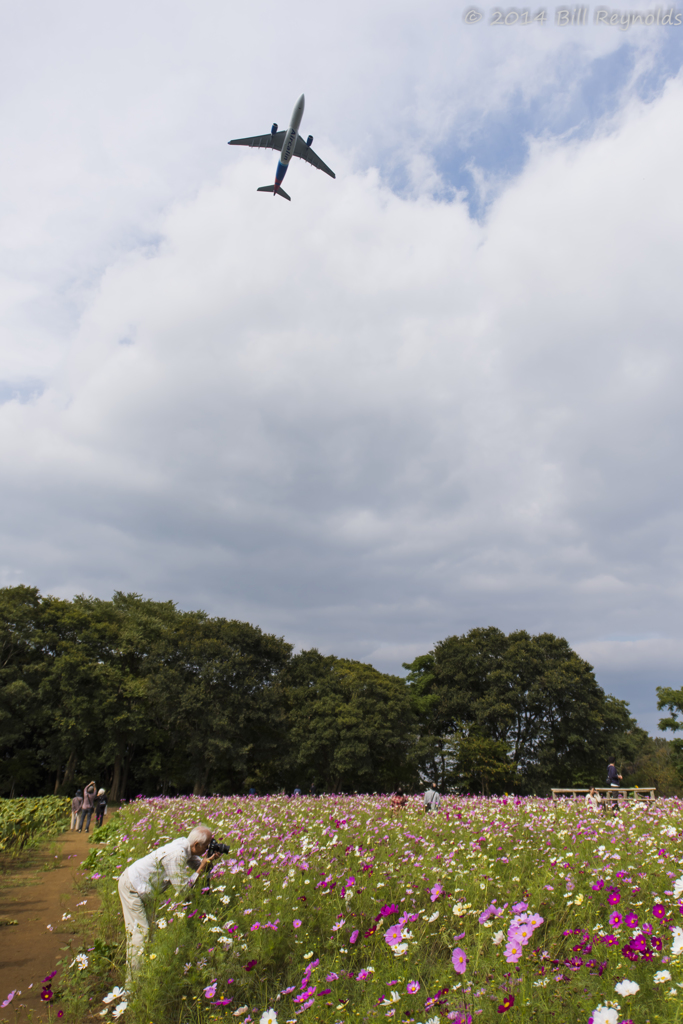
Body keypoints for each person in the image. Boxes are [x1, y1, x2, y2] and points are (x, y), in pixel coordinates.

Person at [118, 825, 221, 985]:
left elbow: (198, 865)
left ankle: (144, 975)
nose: (208, 848)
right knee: (140, 934)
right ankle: (133, 986)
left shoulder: (186, 846)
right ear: (197, 846)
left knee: (148, 932)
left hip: (146, 890)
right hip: (132, 887)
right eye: (207, 846)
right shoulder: (176, 855)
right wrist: (201, 869)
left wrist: (209, 861)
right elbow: (183, 889)